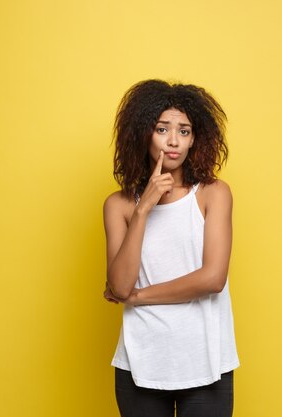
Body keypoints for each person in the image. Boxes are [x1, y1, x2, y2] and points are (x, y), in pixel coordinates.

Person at [102, 79, 240, 417]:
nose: (174, 141)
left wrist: (138, 297)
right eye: (162, 129)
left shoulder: (213, 194)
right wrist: (144, 207)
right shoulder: (119, 205)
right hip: (140, 361)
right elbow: (119, 285)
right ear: (142, 134)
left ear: (196, 138)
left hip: (207, 361)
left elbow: (212, 279)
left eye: (185, 130)